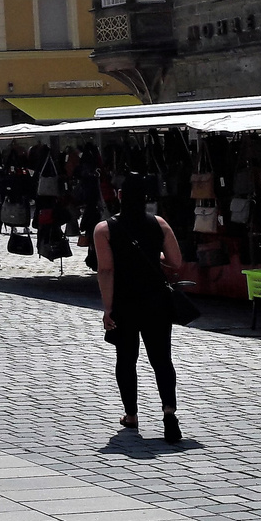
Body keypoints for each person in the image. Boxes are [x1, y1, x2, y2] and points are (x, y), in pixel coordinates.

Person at [94, 172, 186, 444]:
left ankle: (131, 414)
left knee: (126, 359)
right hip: (156, 300)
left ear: (120, 196)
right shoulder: (159, 224)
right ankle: (169, 414)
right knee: (162, 360)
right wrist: (151, 254)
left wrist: (108, 308)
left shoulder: (105, 229)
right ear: (146, 198)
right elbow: (175, 262)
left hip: (125, 301)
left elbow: (106, 270)